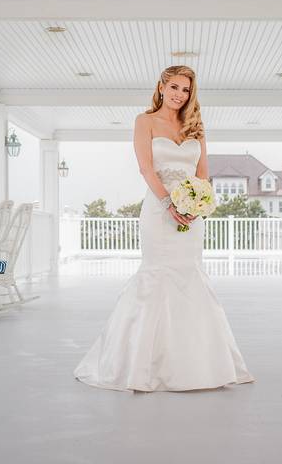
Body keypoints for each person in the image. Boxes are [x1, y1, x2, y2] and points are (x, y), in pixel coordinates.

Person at [73, 65, 255, 392]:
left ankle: (197, 365)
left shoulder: (195, 127)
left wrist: (197, 204)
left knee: (190, 276)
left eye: (185, 90)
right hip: (159, 212)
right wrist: (170, 204)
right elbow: (145, 168)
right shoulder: (145, 122)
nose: (179, 94)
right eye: (173, 87)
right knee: (156, 276)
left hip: (190, 216)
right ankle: (141, 365)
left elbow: (202, 173)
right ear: (161, 86)